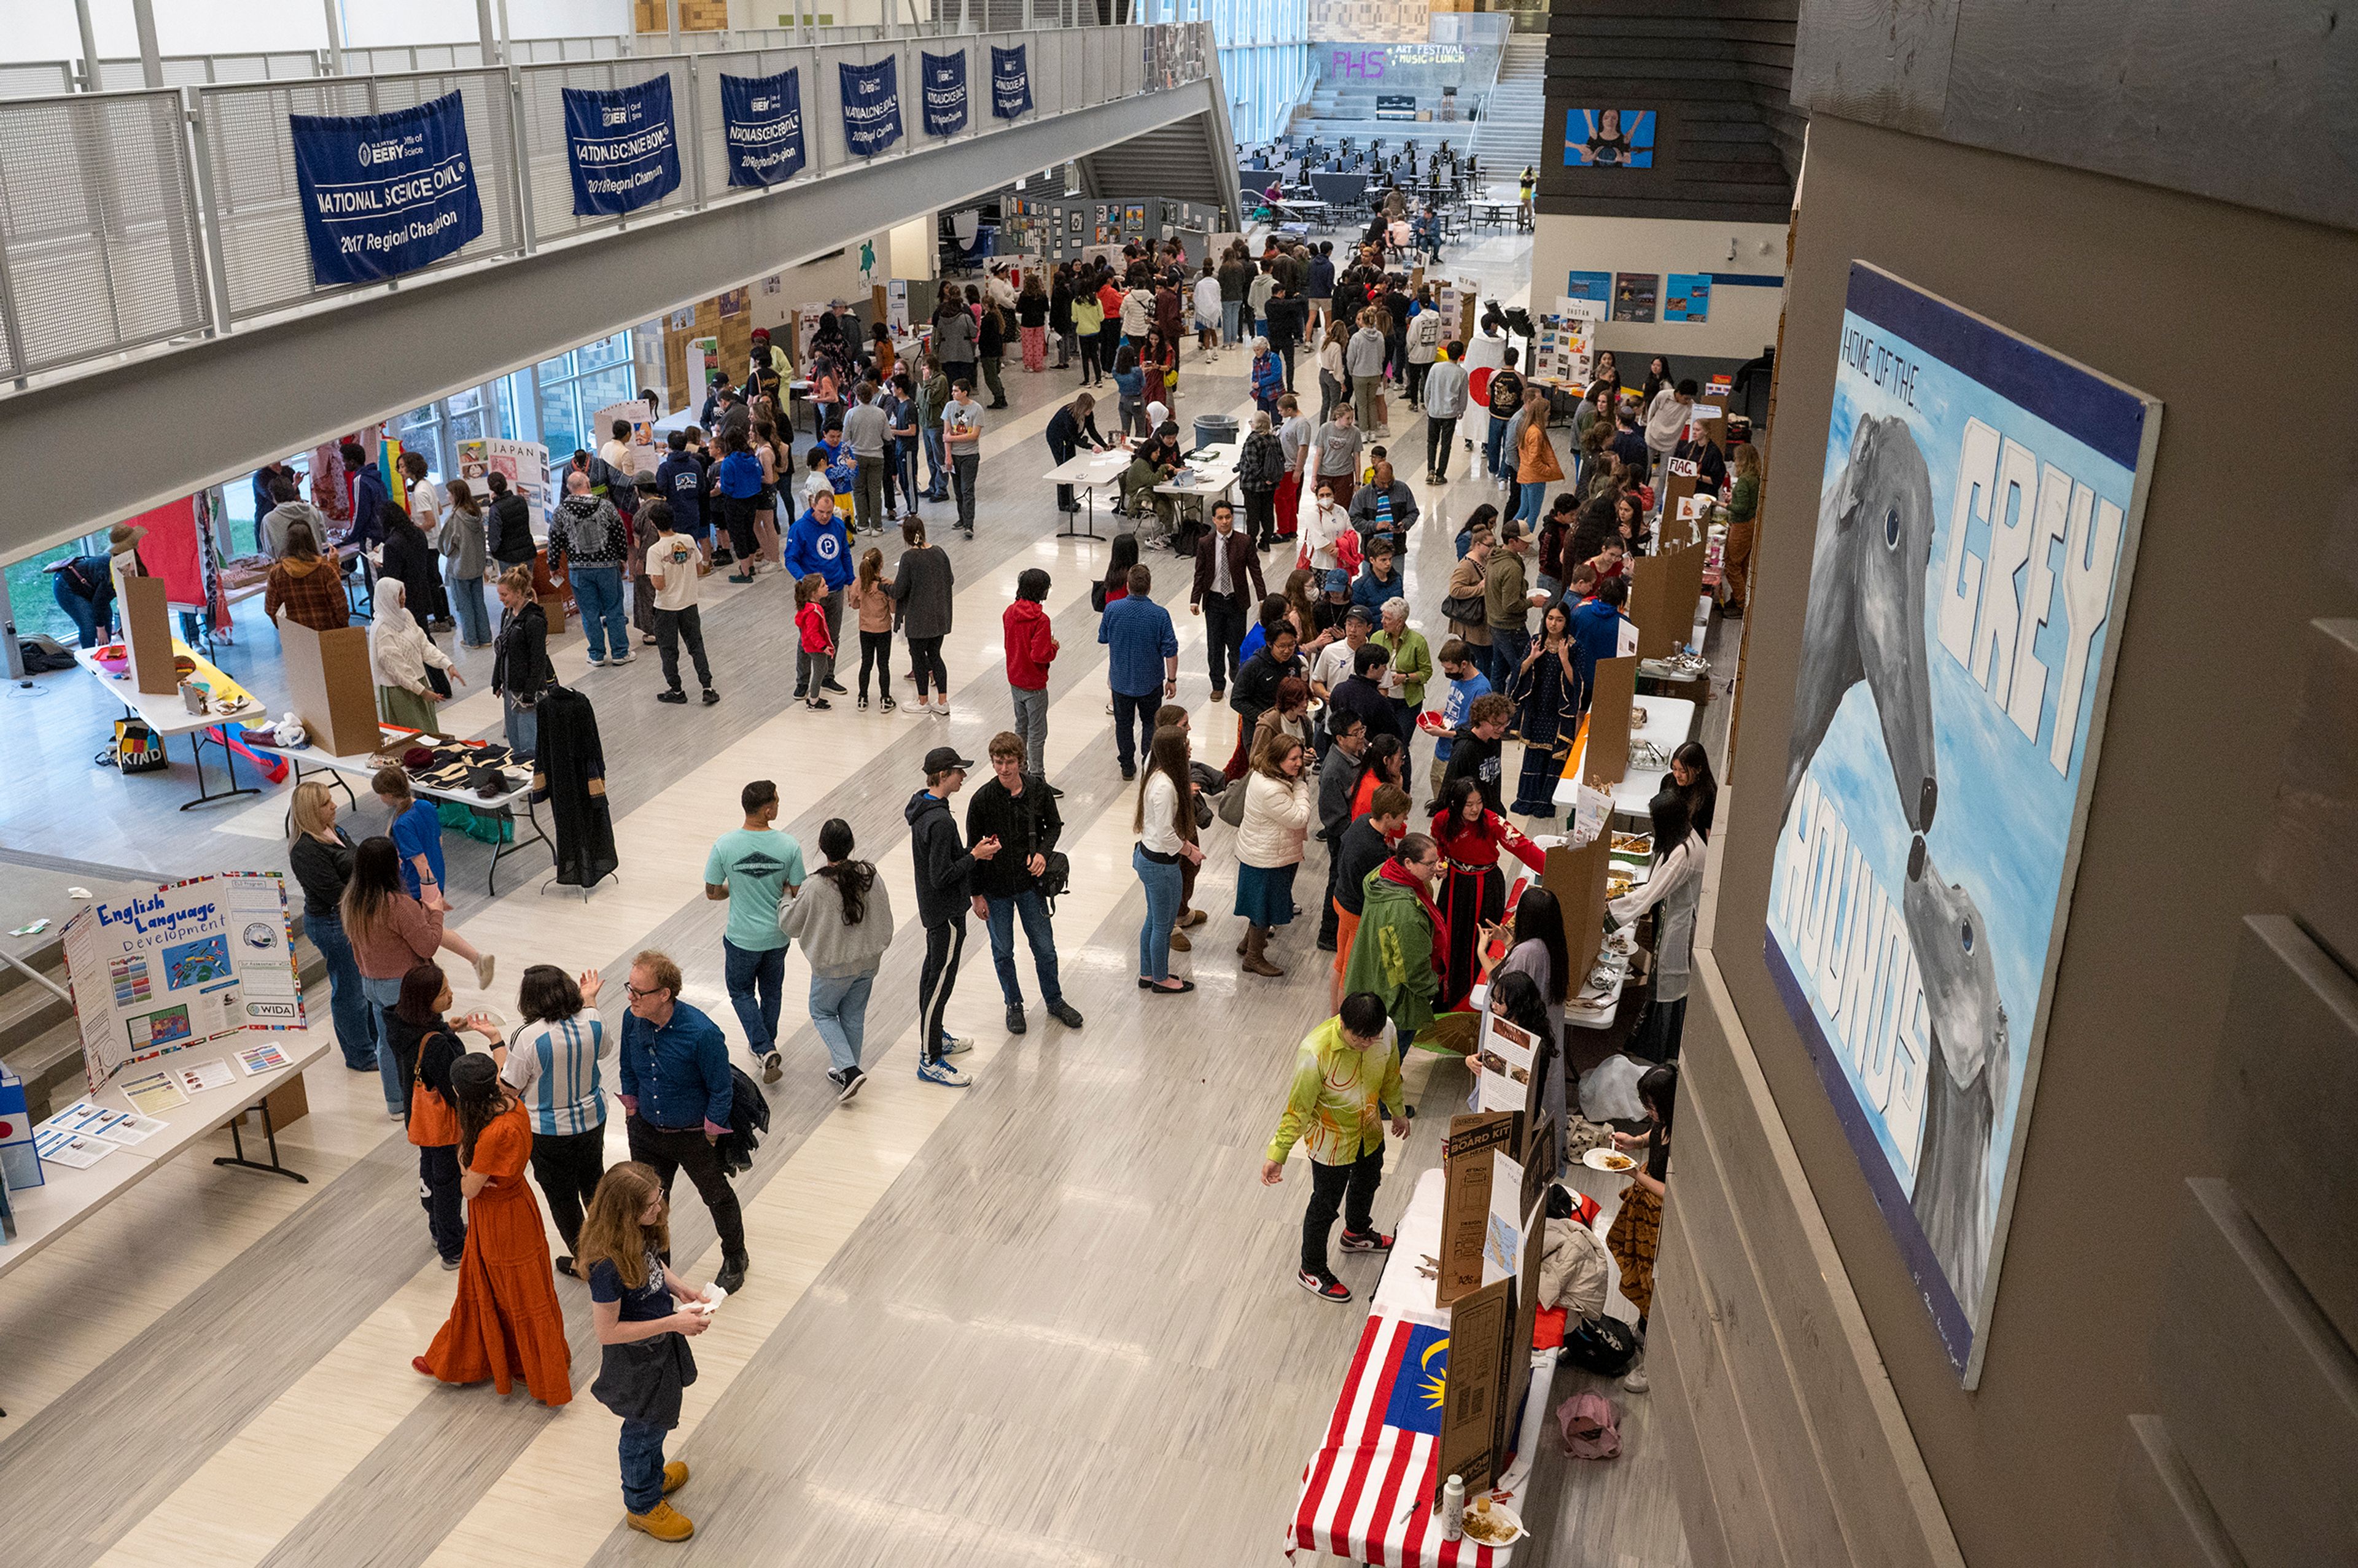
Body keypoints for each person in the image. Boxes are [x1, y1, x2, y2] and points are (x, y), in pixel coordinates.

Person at [411, 1053, 573, 1405]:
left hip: (499, 1220)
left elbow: (469, 1187)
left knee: (498, 1288)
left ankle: (485, 1362)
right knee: (521, 1290)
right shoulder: (514, 1107)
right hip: (518, 1207)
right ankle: (534, 1362)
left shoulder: (490, 1134)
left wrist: (461, 1156)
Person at [576, 1164, 715, 1544]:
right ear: (625, 1212)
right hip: (636, 1361)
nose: (660, 1209)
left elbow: (654, 1264)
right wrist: (672, 1323)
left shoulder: (638, 1231)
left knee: (657, 1425)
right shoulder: (606, 1265)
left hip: (658, 1348)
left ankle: (652, 1477)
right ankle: (641, 1506)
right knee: (642, 1431)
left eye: (659, 1198)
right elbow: (607, 1332)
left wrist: (681, 1289)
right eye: (651, 1204)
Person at [1259, 991, 1407, 1303]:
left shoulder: (1387, 1031)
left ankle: (1356, 1232)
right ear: (1342, 1022)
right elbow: (1297, 1110)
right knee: (1325, 1205)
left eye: (1373, 1037)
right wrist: (1278, 1154)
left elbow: (1391, 1075)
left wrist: (1398, 1111)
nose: (1368, 1043)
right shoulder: (1315, 1052)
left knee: (1369, 1181)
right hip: (1331, 1142)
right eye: (1360, 1038)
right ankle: (1311, 1268)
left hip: (1368, 1131)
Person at [618, 950, 750, 1294]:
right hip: (647, 1129)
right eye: (629, 988)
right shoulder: (631, 1019)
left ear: (665, 994)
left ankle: (735, 1256)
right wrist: (632, 1109)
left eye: (638, 991)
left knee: (717, 1196)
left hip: (693, 1135)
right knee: (649, 1203)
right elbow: (627, 1068)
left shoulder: (703, 1034)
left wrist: (710, 1132)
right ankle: (657, 1266)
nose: (630, 997)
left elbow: (721, 1089)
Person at [492, 963, 612, 1271]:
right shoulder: (594, 1020)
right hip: (592, 1120)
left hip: (547, 1133)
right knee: (594, 1185)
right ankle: (613, 1248)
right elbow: (604, 1051)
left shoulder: (528, 1035)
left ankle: (586, 1263)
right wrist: (591, 1001)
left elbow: (511, 1088)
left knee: (563, 1199)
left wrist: (495, 1047)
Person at [965, 732, 1084, 1036]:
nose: (1004, 769)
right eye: (998, 762)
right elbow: (973, 851)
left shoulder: (1037, 790)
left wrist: (1043, 854)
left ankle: (1055, 1000)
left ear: (1021, 762)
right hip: (995, 890)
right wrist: (976, 895)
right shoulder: (981, 801)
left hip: (1031, 886)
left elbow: (1054, 825)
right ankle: (1013, 1004)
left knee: (1045, 949)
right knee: (1003, 950)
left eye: (1010, 762)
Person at [779, 817, 893, 1101]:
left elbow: (791, 925)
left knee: (822, 1012)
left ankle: (849, 1070)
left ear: (821, 847)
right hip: (869, 960)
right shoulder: (870, 875)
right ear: (852, 844)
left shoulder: (815, 885)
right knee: (854, 1015)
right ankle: (848, 1072)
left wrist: (784, 899)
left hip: (833, 968)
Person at [909, 745, 1002, 1086]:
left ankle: (933, 1038)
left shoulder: (923, 807)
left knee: (931, 977)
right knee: (939, 984)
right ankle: (930, 1059)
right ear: (943, 775)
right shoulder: (941, 821)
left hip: (934, 910)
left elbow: (944, 862)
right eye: (959, 772)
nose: (964, 776)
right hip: (946, 912)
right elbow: (941, 875)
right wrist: (973, 857)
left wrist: (973, 854)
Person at [1430, 778, 1545, 1011]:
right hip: (1455, 886)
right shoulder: (1443, 820)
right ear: (1455, 804)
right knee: (1452, 938)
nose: (1475, 809)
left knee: (1484, 939)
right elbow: (1438, 848)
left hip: (1487, 886)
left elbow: (1523, 847)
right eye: (1469, 804)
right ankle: (1448, 995)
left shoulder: (1493, 821)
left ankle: (1480, 995)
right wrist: (1439, 865)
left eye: (1479, 802)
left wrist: (1555, 868)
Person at [386, 963, 472, 1268]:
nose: (451, 995)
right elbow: (453, 1088)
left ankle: (438, 1230)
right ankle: (452, 1247)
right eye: (443, 992)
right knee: (448, 1184)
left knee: (430, 1172)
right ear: (425, 1001)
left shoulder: (401, 1024)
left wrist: (447, 1028)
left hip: (419, 1117)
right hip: (443, 1123)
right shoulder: (435, 1044)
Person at [287, 782, 375, 1073]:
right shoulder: (305, 850)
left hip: (354, 916)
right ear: (312, 810)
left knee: (365, 987)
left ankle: (373, 1042)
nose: (334, 806)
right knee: (350, 992)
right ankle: (360, 1055)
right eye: (326, 803)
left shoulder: (335, 832)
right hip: (333, 923)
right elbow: (334, 893)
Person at [1613, 789, 1705, 1063]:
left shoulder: (1685, 853)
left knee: (1670, 983)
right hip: (1674, 916)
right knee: (1663, 980)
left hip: (1681, 925)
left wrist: (1611, 913)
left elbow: (1651, 893)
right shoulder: (1684, 840)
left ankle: (1658, 1047)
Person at [1605, 1062, 1677, 1392]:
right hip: (1645, 1204)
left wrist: (1635, 1175)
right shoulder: (1663, 1121)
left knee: (1654, 1284)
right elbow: (1653, 1135)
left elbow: (1673, 1193)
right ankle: (1644, 1329)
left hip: (1662, 1220)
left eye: (1652, 1105)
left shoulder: (1683, 1135)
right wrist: (1634, 1141)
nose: (1648, 1111)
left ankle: (1654, 1359)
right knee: (1626, 1253)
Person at [1342, 831, 1446, 1058]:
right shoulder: (1405, 912)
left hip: (1371, 972)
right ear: (1408, 863)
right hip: (1396, 999)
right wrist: (1432, 987)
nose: (1435, 867)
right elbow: (1411, 967)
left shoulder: (1384, 874)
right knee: (1389, 1056)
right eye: (1430, 863)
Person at [1235, 730, 1315, 978]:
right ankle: (1253, 958)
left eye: (1300, 757)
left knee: (1261, 905)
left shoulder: (1264, 774)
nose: (1299, 764)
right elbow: (1299, 817)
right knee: (1264, 909)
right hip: (1268, 858)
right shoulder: (1273, 789)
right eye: (1293, 759)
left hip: (1266, 852)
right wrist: (1301, 787)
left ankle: (1248, 944)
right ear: (1277, 759)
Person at [1132, 725, 1204, 995]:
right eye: (1186, 743)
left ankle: (1147, 973)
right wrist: (1190, 851)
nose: (1190, 748)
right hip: (1161, 866)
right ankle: (1161, 979)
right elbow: (1166, 834)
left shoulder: (1157, 776)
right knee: (1163, 927)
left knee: (1153, 920)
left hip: (1148, 857)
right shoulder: (1165, 787)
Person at [1099, 564, 1179, 780]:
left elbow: (1103, 637)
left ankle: (1127, 765)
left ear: (1127, 585)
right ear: (1150, 586)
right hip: (1151, 681)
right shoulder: (1160, 615)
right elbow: (1171, 651)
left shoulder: (1113, 609)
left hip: (1121, 680)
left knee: (1123, 724)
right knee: (1150, 723)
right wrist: (1171, 679)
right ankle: (1148, 762)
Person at [550, 470, 634, 667]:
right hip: (607, 566)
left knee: (589, 613)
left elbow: (554, 539)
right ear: (588, 485)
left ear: (570, 489)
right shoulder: (605, 507)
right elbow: (620, 534)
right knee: (614, 609)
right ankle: (620, 652)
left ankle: (596, 654)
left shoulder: (561, 511)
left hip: (579, 569)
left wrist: (553, 565)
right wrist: (623, 559)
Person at [641, 502, 716, 707]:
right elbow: (700, 570)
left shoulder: (655, 551)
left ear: (654, 524)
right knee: (696, 646)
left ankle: (676, 690)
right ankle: (707, 687)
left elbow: (659, 583)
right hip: (690, 603)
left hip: (666, 608)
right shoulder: (688, 540)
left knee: (669, 650)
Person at [1191, 499, 1266, 700]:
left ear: (1232, 518)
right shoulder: (1205, 543)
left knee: (1236, 645)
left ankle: (1237, 675)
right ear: (1214, 520)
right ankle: (1217, 684)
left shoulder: (1244, 541)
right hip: (1214, 601)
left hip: (1236, 601)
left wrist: (1262, 597)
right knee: (1214, 646)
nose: (1225, 522)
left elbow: (1255, 571)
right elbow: (1200, 573)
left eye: (1228, 517)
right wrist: (1194, 599)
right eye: (1220, 518)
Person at [891, 515, 955, 716]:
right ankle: (942, 702)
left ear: (906, 536)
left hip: (919, 619)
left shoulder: (909, 558)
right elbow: (950, 579)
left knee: (919, 659)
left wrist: (884, 587)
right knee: (936, 656)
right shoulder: (939, 552)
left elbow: (899, 590)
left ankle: (923, 701)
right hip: (940, 616)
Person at [490, 567, 553, 760]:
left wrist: (529, 693)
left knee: (529, 742)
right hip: (511, 686)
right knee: (515, 738)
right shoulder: (507, 614)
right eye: (499, 594)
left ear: (518, 593)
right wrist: (497, 680)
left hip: (528, 689)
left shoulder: (534, 620)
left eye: (504, 594)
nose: (501, 599)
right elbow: (502, 651)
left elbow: (538, 659)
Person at [1420, 638, 1492, 806]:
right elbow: (1456, 706)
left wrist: (1441, 733)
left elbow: (1477, 731)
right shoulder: (1458, 678)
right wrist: (1440, 713)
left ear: (1464, 664)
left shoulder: (1481, 689)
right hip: (1442, 749)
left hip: (1458, 753)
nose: (1447, 672)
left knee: (1452, 801)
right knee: (1437, 788)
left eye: (1450, 668)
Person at [1002, 568, 1059, 775]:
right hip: (1034, 683)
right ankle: (1038, 777)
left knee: (1021, 728)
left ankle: (1021, 771)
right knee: (1038, 733)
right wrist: (1053, 647)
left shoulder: (1009, 612)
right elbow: (1040, 655)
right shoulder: (1041, 620)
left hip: (1015, 677)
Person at [1484, 518, 1540, 690]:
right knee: (1523, 667)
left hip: (1495, 623)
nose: (1528, 544)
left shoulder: (1495, 555)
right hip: (1511, 628)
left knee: (1499, 671)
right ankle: (1517, 704)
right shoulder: (1512, 568)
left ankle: (1496, 705)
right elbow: (1510, 605)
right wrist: (1532, 602)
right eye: (1524, 541)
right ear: (1512, 541)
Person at [263, 520, 349, 633]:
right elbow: (340, 605)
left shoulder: (276, 573)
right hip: (328, 634)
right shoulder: (325, 570)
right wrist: (343, 626)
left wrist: (285, 629)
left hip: (296, 637)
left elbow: (271, 608)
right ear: (311, 541)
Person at [438, 478, 493, 648]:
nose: (447, 496)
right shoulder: (476, 513)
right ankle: (485, 637)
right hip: (477, 565)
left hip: (460, 567)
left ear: (455, 495)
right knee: (478, 602)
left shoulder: (455, 518)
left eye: (448, 493)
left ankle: (471, 640)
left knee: (464, 605)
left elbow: (446, 546)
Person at [1371, 597, 1431, 745]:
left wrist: (1405, 678)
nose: (1383, 621)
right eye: (1383, 617)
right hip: (1383, 698)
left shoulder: (1418, 642)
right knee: (1382, 742)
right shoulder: (1376, 638)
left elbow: (1426, 672)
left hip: (1408, 702)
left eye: (1388, 619)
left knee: (1401, 743)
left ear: (1400, 622)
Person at [1045, 392, 1113, 515]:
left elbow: (1092, 431)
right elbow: (1076, 440)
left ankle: (1070, 499)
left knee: (1071, 467)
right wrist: (1091, 447)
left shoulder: (1088, 414)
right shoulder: (1069, 416)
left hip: (1069, 439)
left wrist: (1104, 445)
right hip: (1058, 439)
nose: (1091, 411)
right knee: (1064, 469)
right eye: (1089, 409)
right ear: (1083, 408)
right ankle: (1064, 503)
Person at [1570, 575, 1630, 710]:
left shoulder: (1579, 612)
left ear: (1600, 592)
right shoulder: (1624, 624)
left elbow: (1569, 640)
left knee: (1579, 715)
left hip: (1580, 675)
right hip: (1607, 680)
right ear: (1622, 599)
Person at [841, 381, 890, 540]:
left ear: (857, 397)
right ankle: (877, 525)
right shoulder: (880, 413)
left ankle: (863, 524)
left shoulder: (851, 413)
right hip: (877, 456)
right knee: (875, 491)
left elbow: (845, 438)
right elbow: (888, 436)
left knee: (859, 490)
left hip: (857, 456)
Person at [850, 546, 896, 712]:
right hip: (883, 630)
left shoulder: (858, 583)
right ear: (881, 565)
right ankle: (885, 698)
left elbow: (854, 604)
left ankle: (862, 697)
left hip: (865, 629)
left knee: (866, 663)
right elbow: (893, 609)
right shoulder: (886, 585)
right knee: (883, 664)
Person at [1643, 379, 1697, 518]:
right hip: (1652, 436)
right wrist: (1649, 426)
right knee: (1646, 469)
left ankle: (1656, 505)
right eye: (1685, 398)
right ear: (1678, 393)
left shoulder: (1691, 406)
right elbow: (1652, 411)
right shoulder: (1664, 396)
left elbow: (1698, 417)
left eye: (1690, 398)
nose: (1687, 401)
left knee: (1664, 475)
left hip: (1671, 442)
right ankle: (1641, 500)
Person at [1719, 441, 1761, 618]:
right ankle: (1738, 598)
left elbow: (1741, 508)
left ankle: (1742, 603)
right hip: (1751, 524)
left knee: (1731, 564)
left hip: (1741, 526)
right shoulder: (1755, 477)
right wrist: (1734, 497)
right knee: (1742, 565)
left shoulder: (1744, 480)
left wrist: (1723, 504)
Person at [1347, 456, 1419, 551]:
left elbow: (1413, 512)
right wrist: (1375, 526)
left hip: (1397, 548)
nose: (1387, 486)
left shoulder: (1403, 489)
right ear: (1375, 477)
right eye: (1383, 483)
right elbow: (1355, 519)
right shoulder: (1363, 494)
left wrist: (1405, 524)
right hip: (1371, 550)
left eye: (1389, 481)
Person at [1421, 341, 1469, 483]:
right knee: (1446, 444)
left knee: (1432, 442)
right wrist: (1461, 410)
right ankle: (1441, 473)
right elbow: (1463, 395)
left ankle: (1430, 470)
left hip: (1434, 411)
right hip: (1450, 414)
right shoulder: (1462, 373)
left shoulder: (1436, 368)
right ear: (1461, 355)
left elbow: (1427, 389)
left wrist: (1429, 406)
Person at [1238, 412, 1285, 551]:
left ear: (1258, 424)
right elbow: (1282, 459)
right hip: (1270, 486)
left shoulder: (1252, 440)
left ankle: (1251, 543)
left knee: (1253, 515)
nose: (1251, 424)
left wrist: (1264, 478)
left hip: (1252, 485)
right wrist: (1271, 479)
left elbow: (1253, 465)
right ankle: (1266, 542)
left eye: (1252, 421)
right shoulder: (1275, 439)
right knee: (1268, 513)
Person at [942, 379, 984, 538]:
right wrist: (948, 456)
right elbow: (946, 433)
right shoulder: (949, 407)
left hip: (970, 456)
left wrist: (951, 439)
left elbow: (974, 436)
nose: (953, 394)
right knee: (958, 491)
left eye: (956, 391)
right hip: (954, 456)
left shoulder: (976, 409)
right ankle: (961, 518)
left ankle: (969, 524)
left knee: (967, 490)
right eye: (952, 391)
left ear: (965, 392)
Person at [793, 572, 838, 712]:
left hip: (811, 646)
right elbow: (813, 632)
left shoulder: (808, 607)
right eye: (823, 586)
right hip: (815, 648)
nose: (827, 587)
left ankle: (814, 697)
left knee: (823, 669)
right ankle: (814, 701)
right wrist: (823, 646)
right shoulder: (815, 610)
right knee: (819, 673)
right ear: (814, 593)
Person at [1482, 346, 1525, 479]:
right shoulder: (1521, 378)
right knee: (1509, 446)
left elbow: (1489, 392)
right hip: (1512, 418)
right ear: (1517, 360)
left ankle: (1492, 469)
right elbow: (1523, 397)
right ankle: (1503, 476)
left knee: (1493, 443)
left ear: (1504, 358)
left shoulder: (1494, 375)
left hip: (1495, 415)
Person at [1312, 402, 1362, 511]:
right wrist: (1314, 478)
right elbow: (1319, 454)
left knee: (1342, 509)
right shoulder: (1325, 428)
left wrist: (1357, 482)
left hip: (1344, 475)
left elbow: (1357, 458)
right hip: (1325, 473)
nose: (1351, 421)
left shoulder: (1355, 432)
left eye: (1352, 418)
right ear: (1338, 417)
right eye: (1348, 418)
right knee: (1324, 507)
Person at [1345, 308, 1387, 432]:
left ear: (1363, 321)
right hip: (1375, 373)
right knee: (1372, 403)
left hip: (1360, 374)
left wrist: (1351, 371)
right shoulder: (1380, 336)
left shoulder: (1357, 337)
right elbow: (1382, 355)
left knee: (1361, 404)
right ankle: (1373, 430)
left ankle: (1363, 431)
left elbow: (1351, 357)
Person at [1670, 739, 1718, 840]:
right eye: (1674, 769)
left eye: (1683, 771)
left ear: (1698, 769)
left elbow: (1710, 834)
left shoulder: (1708, 795)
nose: (1677, 775)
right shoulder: (1668, 781)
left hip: (1694, 847)